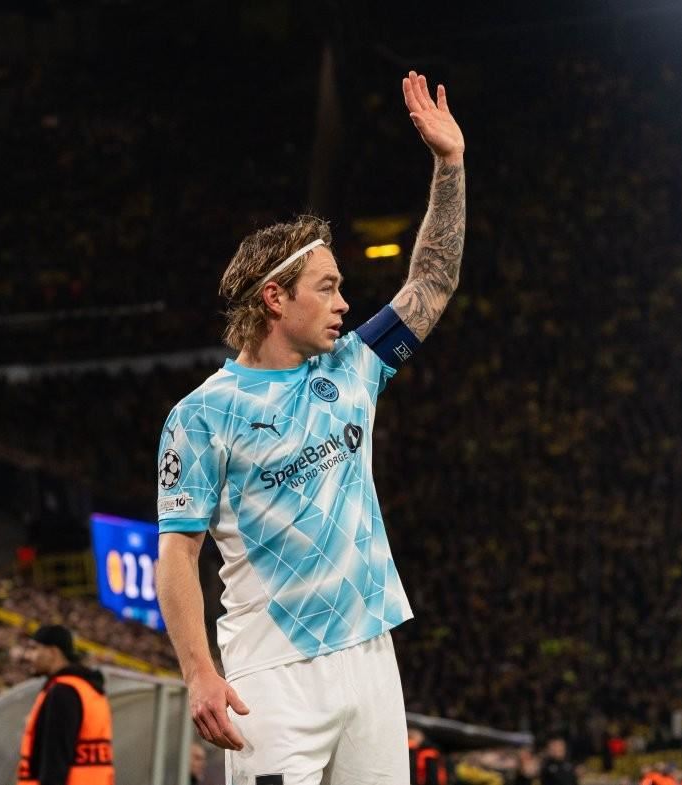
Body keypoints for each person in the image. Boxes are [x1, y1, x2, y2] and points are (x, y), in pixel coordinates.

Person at [157, 69, 466, 784]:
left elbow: (433, 281)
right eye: (327, 288)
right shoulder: (202, 415)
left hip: (369, 654)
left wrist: (449, 166)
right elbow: (177, 555)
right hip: (272, 675)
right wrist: (199, 672)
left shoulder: (353, 368)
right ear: (275, 297)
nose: (343, 303)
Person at [18, 625, 114, 785]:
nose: (29, 656)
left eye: (34, 649)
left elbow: (55, 762)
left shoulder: (63, 691)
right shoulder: (87, 688)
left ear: (53, 652)